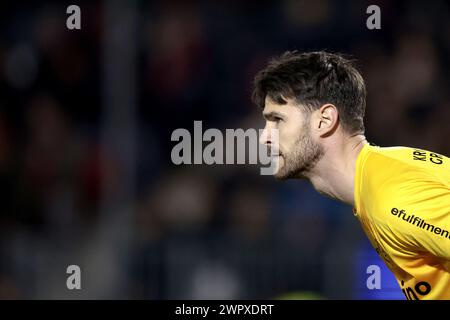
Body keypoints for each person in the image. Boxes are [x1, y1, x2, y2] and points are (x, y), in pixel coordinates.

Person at [252, 51, 450, 300]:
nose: (265, 137)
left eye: (278, 120)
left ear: (324, 120)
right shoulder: (383, 173)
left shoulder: (391, 197)